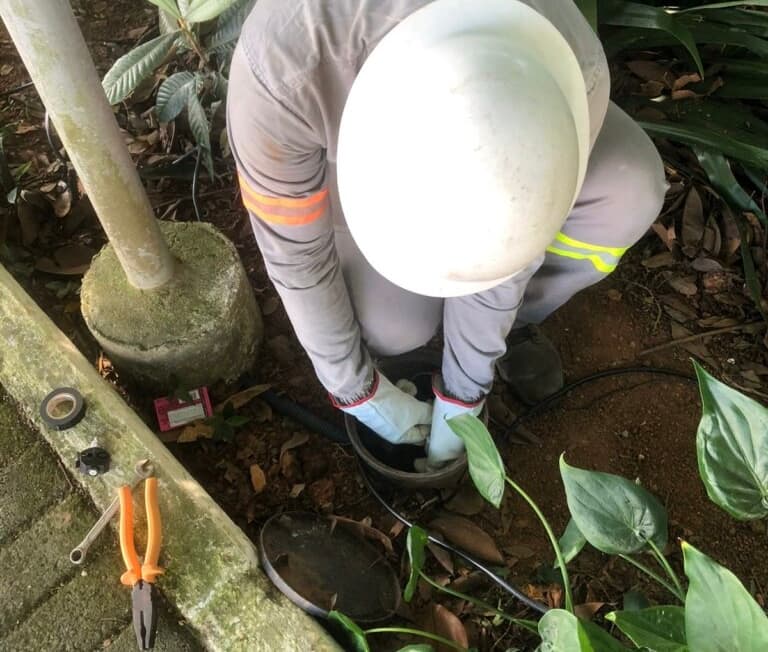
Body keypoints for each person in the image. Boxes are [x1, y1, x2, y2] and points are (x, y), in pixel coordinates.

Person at [227, 0, 667, 470]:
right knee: (393, 329)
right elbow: (298, 257)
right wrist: (354, 389)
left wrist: (466, 390)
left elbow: (517, 240)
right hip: (333, 155)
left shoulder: (576, 66)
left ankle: (513, 326)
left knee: (629, 187)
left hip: (522, 102)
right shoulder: (282, 74)